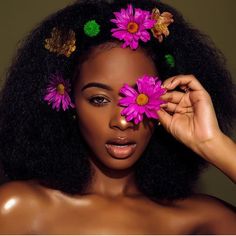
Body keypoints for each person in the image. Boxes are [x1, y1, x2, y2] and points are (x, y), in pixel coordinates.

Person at [0, 0, 235, 234]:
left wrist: (212, 143)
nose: (122, 121)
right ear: (70, 104)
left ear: (165, 99)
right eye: (99, 99)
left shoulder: (203, 219)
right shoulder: (17, 208)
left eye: (139, 97)